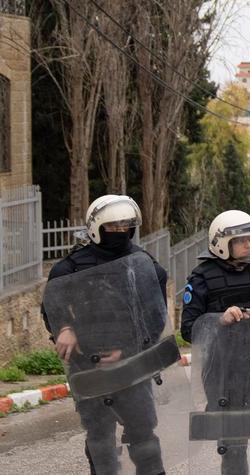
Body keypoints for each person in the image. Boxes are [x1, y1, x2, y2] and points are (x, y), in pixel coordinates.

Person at [43, 194, 171, 474]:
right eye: (113, 226)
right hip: (87, 365)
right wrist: (64, 328)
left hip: (133, 363)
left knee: (144, 438)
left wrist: (127, 351)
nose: (120, 231)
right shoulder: (70, 268)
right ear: (97, 227)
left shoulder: (144, 265)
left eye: (126, 226)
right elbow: (51, 306)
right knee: (100, 439)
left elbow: (155, 318)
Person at [181, 209, 250, 474]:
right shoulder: (201, 278)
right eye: (241, 240)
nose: (249, 244)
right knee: (233, 446)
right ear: (222, 243)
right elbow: (188, 329)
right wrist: (218, 319)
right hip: (224, 376)